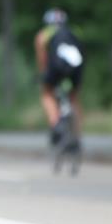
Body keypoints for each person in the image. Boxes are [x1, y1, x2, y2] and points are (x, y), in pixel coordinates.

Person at [35, 8, 84, 146]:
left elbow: (42, 59)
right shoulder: (75, 32)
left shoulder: (44, 34)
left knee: (47, 94)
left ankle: (56, 124)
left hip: (56, 68)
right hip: (76, 68)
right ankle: (76, 136)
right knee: (74, 98)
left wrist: (43, 75)